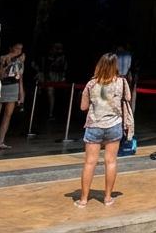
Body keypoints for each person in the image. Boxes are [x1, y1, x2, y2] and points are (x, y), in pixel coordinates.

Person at [77, 53, 130, 207]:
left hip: (94, 125)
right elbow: (127, 99)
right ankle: (107, 198)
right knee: (111, 162)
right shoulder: (121, 82)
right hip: (114, 125)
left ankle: (83, 199)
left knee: (89, 163)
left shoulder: (91, 84)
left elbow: (83, 107)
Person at [0, 42, 25, 150]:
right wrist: (7, 63)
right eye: (16, 48)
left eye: (20, 49)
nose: (18, 51)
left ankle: (1, 141)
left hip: (14, 87)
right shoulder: (2, 58)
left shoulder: (20, 61)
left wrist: (21, 93)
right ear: (11, 48)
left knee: (8, 115)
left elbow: (20, 77)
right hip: (2, 87)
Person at [40, 42, 68, 120]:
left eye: (60, 47)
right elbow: (44, 68)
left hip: (60, 78)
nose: (58, 49)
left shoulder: (63, 57)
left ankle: (56, 113)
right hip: (49, 78)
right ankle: (50, 113)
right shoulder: (47, 56)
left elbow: (64, 68)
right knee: (49, 94)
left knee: (60, 96)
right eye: (56, 47)